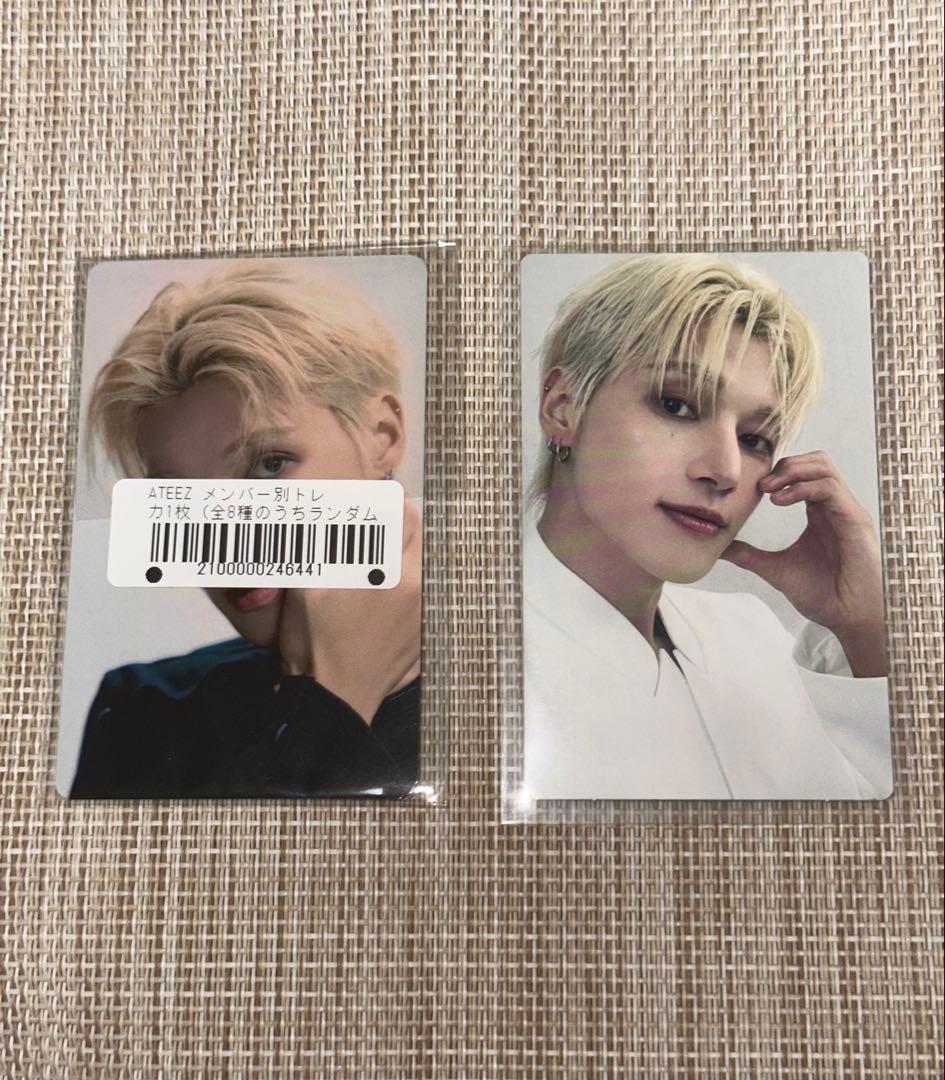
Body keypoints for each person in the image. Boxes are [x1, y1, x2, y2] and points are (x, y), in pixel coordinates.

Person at [522, 254, 892, 801]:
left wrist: (865, 626)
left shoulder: (751, 631)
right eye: (676, 405)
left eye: (755, 440)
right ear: (563, 407)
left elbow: (877, 815)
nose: (726, 470)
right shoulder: (465, 648)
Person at [70, 263, 422, 798]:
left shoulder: (521, 683)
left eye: (269, 465)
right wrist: (336, 695)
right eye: (180, 496)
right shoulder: (143, 710)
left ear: (383, 436)